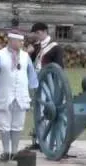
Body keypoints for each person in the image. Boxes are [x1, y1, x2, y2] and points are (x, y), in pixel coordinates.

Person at [0, 29, 39, 162]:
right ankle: (6, 151)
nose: (21, 43)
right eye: (18, 41)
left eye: (21, 41)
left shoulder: (25, 57)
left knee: (18, 125)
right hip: (5, 95)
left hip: (21, 95)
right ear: (11, 41)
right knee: (4, 125)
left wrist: (34, 91)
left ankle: (14, 152)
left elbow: (31, 75)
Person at [25, 22, 64, 151]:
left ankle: (46, 141)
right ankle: (38, 139)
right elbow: (29, 65)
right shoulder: (36, 47)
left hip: (49, 83)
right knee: (37, 110)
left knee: (46, 111)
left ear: (45, 32)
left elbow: (58, 68)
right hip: (36, 81)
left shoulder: (55, 48)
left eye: (38, 33)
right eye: (35, 33)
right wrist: (28, 54)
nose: (37, 36)